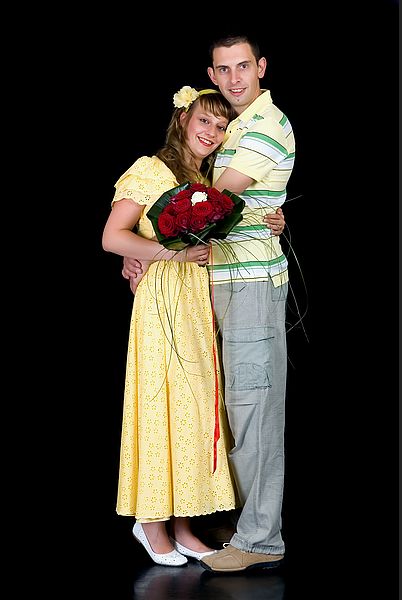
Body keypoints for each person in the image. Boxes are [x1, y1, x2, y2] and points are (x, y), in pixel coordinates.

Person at [123, 34, 295, 573]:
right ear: (212, 76)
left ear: (261, 66)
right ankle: (225, 520)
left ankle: (261, 537)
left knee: (253, 410)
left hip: (247, 284)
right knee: (209, 408)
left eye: (245, 66)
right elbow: (182, 205)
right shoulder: (228, 128)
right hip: (204, 288)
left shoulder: (266, 125)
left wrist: (148, 246)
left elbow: (209, 203)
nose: (237, 77)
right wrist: (142, 251)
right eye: (225, 69)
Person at [102, 87, 242, 567]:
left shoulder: (204, 179)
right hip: (162, 301)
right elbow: (112, 236)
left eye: (221, 127)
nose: (212, 132)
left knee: (194, 408)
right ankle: (151, 522)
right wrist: (169, 255)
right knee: (162, 405)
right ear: (183, 118)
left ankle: (184, 522)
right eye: (205, 120)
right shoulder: (150, 169)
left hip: (194, 306)